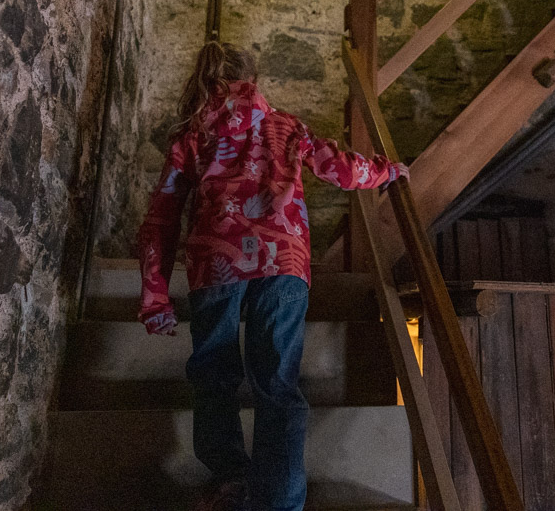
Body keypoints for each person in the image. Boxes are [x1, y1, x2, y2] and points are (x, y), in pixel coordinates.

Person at [136, 41, 408, 511]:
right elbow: (340, 169)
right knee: (278, 384)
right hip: (282, 261)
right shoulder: (286, 126)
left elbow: (161, 217)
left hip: (216, 263)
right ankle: (279, 503)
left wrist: (155, 294)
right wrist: (388, 171)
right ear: (253, 79)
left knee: (214, 375)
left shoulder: (191, 135)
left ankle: (230, 481)